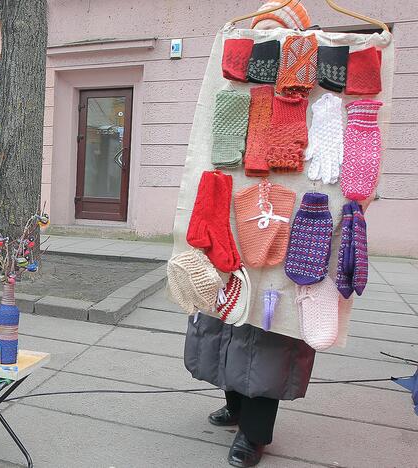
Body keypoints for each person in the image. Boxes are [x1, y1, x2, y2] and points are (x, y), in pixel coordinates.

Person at [184, 2, 315, 467]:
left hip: (286, 219)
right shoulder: (237, 85)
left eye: (273, 35)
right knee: (229, 314)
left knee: (269, 327)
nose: (264, 46)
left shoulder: (308, 86)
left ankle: (255, 433)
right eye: (259, 34)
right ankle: (236, 403)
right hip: (235, 208)